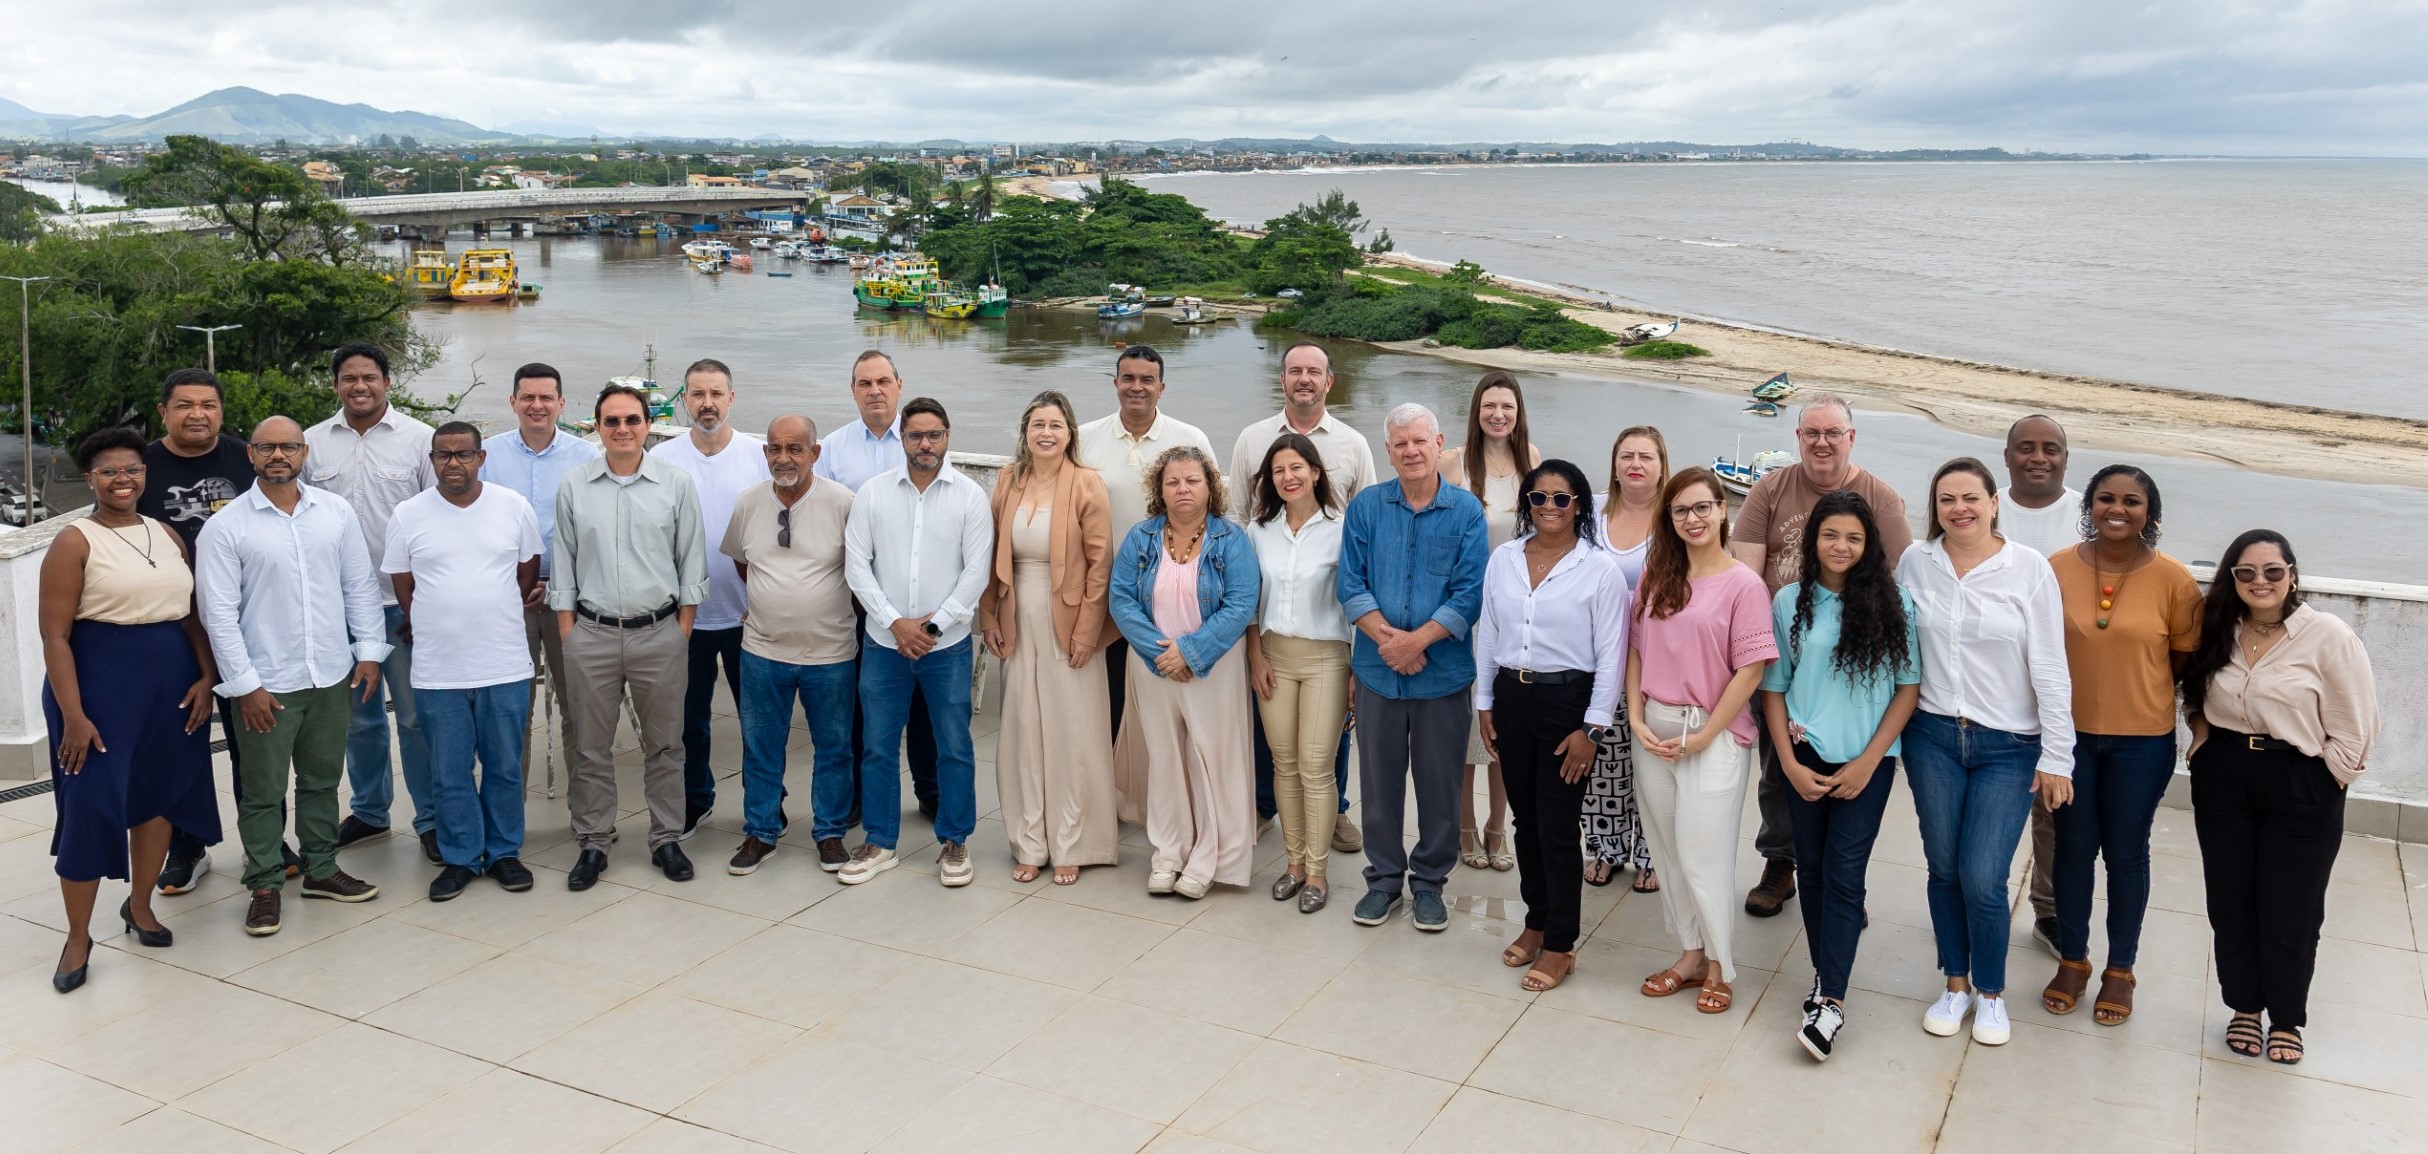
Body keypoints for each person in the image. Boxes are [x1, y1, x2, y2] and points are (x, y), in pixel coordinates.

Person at [1897, 457, 2075, 1047]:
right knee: (1944, 868)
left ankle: (1992, 992)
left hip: (2009, 745)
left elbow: (2049, 665)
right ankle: (1955, 984)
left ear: (1993, 502)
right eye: (1946, 499)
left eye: (1970, 497)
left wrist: (2058, 754)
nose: (1959, 509)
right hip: (1932, 736)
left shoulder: (2027, 570)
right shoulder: (1915, 564)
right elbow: (1897, 651)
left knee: (1983, 874)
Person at [2184, 531, 2376, 1067]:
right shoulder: (2220, 625)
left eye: (2272, 571)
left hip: (2300, 778)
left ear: (2292, 573)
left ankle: (2286, 1018)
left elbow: (2357, 720)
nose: (2260, 582)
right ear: (2232, 578)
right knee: (2230, 900)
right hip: (2224, 773)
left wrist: (2330, 777)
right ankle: (2244, 1007)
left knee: (2290, 908)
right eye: (2246, 573)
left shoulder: (2327, 635)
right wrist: (2201, 741)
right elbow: (2192, 690)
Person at [40, 428, 221, 992]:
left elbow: (190, 614)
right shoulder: (74, 541)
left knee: (159, 795)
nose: (124, 480)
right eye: (110, 471)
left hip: (170, 680)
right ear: (90, 478)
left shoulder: (165, 532)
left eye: (133, 470)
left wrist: (207, 676)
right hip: (97, 686)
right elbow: (54, 637)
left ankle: (140, 906)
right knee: (90, 803)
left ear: (146, 475)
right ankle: (76, 936)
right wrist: (73, 714)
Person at [195, 417, 390, 939]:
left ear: (305, 453)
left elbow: (360, 587)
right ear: (251, 455)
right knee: (262, 792)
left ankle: (321, 869)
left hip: (330, 674)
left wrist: (369, 654)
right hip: (266, 684)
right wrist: (245, 686)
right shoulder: (226, 526)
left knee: (323, 781)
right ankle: (263, 884)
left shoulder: (335, 513)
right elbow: (219, 613)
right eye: (266, 447)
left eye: (288, 446)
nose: (278, 454)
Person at [1732, 394, 1913, 918]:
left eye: (1833, 433)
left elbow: (1900, 580)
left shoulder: (1880, 498)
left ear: (1851, 438)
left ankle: (1842, 880)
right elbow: (1746, 578)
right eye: (1811, 433)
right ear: (1798, 438)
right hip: (1783, 654)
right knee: (1777, 770)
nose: (1822, 442)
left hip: (1855, 663)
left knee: (1851, 775)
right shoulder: (1771, 488)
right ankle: (1780, 862)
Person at [1760, 490, 1923, 1060]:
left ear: (1869, 544)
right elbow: (1774, 688)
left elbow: (1908, 689)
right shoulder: (1788, 602)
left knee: (1845, 874)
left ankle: (1832, 1000)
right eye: (1831, 535)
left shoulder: (1895, 604)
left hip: (1866, 764)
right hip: (1805, 759)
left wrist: (1871, 759)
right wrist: (1786, 763)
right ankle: (1823, 974)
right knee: (1812, 869)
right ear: (1814, 540)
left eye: (1854, 537)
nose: (1842, 546)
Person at [2037, 465, 2202, 1027]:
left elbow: (2182, 658)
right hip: (2069, 738)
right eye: (2106, 497)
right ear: (2090, 505)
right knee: (2073, 849)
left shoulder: (2174, 580)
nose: (2118, 508)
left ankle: (2120, 971)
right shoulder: (2054, 568)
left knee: (2128, 855)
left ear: (2149, 513)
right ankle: (2074, 960)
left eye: (2132, 501)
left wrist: (2137, 690)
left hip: (2142, 742)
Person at [1475, 459, 1629, 994]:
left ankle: (1561, 944)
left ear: (1580, 505)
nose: (1549, 508)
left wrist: (1592, 728)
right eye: (1538, 498)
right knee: (1526, 821)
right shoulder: (1504, 560)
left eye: (1561, 499)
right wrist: (1485, 699)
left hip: (1569, 702)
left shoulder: (1599, 569)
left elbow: (1612, 655)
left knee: (1558, 825)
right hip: (1512, 697)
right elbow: (1488, 628)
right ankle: (1536, 920)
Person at [1629, 467, 1777, 1016]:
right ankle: (1690, 955)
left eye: (1701, 507)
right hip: (1654, 730)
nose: (1692, 519)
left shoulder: (1744, 584)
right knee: (1667, 851)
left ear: (1722, 510)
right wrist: (1636, 716)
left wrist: (1703, 736)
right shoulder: (1657, 576)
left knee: (1703, 853)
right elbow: (1637, 651)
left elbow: (1751, 671)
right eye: (1680, 510)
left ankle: (1721, 965)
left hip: (1713, 735)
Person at [552, 384, 710, 889]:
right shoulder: (574, 485)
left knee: (666, 745)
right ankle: (593, 842)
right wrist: (570, 636)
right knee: (590, 748)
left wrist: (681, 631)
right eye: (612, 421)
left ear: (648, 425)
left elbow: (692, 563)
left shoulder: (676, 484)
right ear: (596, 427)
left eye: (632, 420)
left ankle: (666, 837)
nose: (623, 429)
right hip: (592, 635)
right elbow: (564, 568)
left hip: (659, 634)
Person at [1338, 403, 1487, 933]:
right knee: (1378, 785)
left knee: (1439, 785)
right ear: (1388, 451)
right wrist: (1389, 641)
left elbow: (1471, 593)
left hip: (1442, 676)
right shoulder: (1366, 507)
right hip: (1378, 673)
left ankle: (1429, 885)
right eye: (1400, 443)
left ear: (1439, 443)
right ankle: (1382, 881)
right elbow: (1350, 584)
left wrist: (1418, 641)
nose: (1411, 451)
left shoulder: (1466, 511)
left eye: (1420, 441)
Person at [383, 422, 543, 902]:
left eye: (463, 454)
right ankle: (459, 857)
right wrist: (434, 618)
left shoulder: (512, 507)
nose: (454, 463)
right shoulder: (409, 514)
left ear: (481, 458)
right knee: (449, 771)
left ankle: (503, 852)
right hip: (438, 668)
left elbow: (526, 572)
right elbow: (402, 582)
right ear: (431, 460)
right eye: (443, 455)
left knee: (504, 766)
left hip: (504, 662)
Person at [838, 397, 992, 888]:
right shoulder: (872, 493)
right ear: (902, 438)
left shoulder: (970, 496)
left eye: (935, 435)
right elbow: (856, 566)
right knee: (878, 747)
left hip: (945, 648)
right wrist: (894, 622)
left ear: (948, 436)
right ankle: (880, 841)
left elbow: (976, 573)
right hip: (885, 646)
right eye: (916, 435)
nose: (925, 445)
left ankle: (955, 840)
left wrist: (929, 629)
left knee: (954, 746)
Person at [1232, 340, 1377, 858]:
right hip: (1272, 629)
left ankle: (1333, 811)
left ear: (1329, 381)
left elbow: (1365, 536)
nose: (1304, 379)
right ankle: (1267, 807)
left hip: (1329, 640)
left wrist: (1363, 655)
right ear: (1283, 378)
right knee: (1277, 742)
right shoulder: (1252, 440)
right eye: (1295, 370)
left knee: (1327, 742)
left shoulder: (1353, 445)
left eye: (1314, 371)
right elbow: (1238, 517)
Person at [139, 367, 273, 894]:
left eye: (208, 405)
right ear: (164, 412)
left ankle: (265, 844)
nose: (197, 414)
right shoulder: (143, 466)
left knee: (253, 743)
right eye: (185, 405)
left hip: (245, 625)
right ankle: (187, 847)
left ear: (221, 410)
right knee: (180, 741)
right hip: (170, 628)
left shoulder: (247, 458)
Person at [304, 343, 438, 860]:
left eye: (370, 377)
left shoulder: (421, 440)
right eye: (348, 378)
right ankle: (369, 812)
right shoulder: (312, 444)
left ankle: (430, 817)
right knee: (359, 721)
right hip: (338, 608)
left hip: (403, 604)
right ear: (335, 384)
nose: (359, 386)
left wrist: (424, 601)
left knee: (414, 717)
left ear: (387, 381)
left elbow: (438, 519)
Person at [1109, 445, 1260, 899]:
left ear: (1210, 487)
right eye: (1172, 481)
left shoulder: (1231, 540)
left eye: (1192, 480)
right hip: (1154, 667)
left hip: (1213, 669)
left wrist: (1191, 652)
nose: (1182, 489)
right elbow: (1121, 598)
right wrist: (1161, 654)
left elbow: (1240, 604)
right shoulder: (1141, 537)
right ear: (1159, 489)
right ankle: (1168, 853)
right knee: (1166, 760)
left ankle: (1210, 858)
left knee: (1212, 760)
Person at [980, 391, 1118, 885]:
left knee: (1071, 734)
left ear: (1069, 433)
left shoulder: (1086, 484)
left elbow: (1101, 566)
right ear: (1025, 432)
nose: (1046, 432)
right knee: (1021, 732)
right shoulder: (1006, 481)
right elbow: (988, 557)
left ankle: (1073, 842)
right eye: (1038, 423)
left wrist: (1087, 631)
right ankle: (1029, 841)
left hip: (1070, 624)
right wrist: (989, 619)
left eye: (1056, 425)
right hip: (1017, 618)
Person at [722, 416, 860, 876]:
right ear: (765, 453)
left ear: (814, 454)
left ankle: (830, 833)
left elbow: (862, 570)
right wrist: (771, 603)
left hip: (831, 653)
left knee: (834, 747)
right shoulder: (747, 503)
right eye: (776, 449)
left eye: (795, 449)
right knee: (760, 746)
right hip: (762, 651)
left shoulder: (843, 503)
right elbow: (744, 565)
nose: (784, 458)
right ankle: (761, 831)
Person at [649, 358, 771, 838]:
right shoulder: (662, 460)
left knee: (758, 722)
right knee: (688, 723)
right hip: (685, 618)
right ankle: (694, 800)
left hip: (750, 615)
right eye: (697, 394)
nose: (707, 403)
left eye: (716, 393)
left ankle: (766, 804)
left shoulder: (759, 455)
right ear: (685, 400)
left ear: (731, 397)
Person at [817, 350, 939, 824]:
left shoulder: (920, 440)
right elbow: (824, 523)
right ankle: (859, 797)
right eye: (865, 383)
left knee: (925, 703)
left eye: (883, 381)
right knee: (862, 705)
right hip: (857, 597)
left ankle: (930, 791)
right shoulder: (832, 449)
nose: (875, 391)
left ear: (899, 385)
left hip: (918, 596)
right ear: (853, 391)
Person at [1075, 346, 1215, 739]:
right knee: (1110, 698)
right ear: (1115, 383)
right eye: (1128, 378)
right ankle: (1116, 790)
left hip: (1174, 591)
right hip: (1105, 590)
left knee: (1168, 697)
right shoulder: (1084, 439)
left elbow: (1216, 510)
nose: (1137, 387)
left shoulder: (1190, 439)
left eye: (1147, 380)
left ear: (1162, 387)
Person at [1242, 434, 1351, 913]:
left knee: (1315, 767)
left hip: (1327, 657)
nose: (1288, 477)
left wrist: (1356, 675)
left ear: (1316, 472)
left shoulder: (1344, 528)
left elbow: (1356, 603)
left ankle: (1317, 873)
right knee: (1282, 764)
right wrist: (1254, 657)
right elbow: (1249, 602)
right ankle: (1292, 864)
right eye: (1279, 470)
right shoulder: (1258, 530)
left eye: (1297, 468)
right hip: (1273, 656)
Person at [481, 363, 600, 790]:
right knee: (511, 709)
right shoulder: (485, 456)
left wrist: (556, 583)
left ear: (561, 403)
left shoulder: (587, 457)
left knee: (580, 705)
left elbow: (596, 531)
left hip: (569, 593)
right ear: (512, 402)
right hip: (505, 596)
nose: (537, 405)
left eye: (546, 397)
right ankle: (507, 817)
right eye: (527, 397)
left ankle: (589, 814)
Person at [1440, 371, 1541, 876]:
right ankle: (1463, 826)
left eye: (1507, 406)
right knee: (1465, 731)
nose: (1498, 414)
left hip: (1515, 614)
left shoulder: (1534, 463)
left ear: (1518, 412)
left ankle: (1498, 827)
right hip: (1464, 613)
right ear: (1476, 409)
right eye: (1489, 405)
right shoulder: (1453, 463)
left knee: (1505, 730)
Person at [1997, 414, 2080, 956]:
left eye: (2050, 448)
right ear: (2007, 456)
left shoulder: (2084, 515)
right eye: (2025, 448)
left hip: (2059, 685)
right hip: (1992, 693)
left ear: (2065, 458)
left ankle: (2048, 911)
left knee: (2052, 814)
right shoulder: (1985, 505)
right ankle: (1979, 901)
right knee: (1989, 813)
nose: (2038, 457)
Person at [1587, 426, 1667, 893]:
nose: (1636, 464)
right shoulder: (1591, 510)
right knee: (1603, 755)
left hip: (1656, 658)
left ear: (1661, 465)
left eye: (1646, 457)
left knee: (1651, 760)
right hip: (1597, 655)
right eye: (1627, 455)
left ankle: (1652, 853)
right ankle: (1603, 846)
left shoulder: (1676, 515)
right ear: (1615, 463)